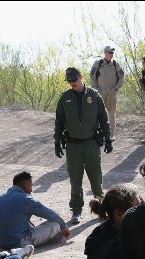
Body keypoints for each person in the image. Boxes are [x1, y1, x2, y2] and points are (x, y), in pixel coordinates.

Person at [54, 66, 112, 226]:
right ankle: (76, 211)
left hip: (91, 143)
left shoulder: (94, 95)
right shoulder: (65, 98)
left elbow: (103, 119)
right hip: (73, 145)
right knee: (75, 178)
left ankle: (101, 207)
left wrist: (108, 139)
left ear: (80, 77)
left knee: (96, 176)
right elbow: (59, 121)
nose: (72, 82)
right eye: (69, 80)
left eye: (74, 79)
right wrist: (57, 141)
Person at [0, 171, 70, 249]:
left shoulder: (2, 195)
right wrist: (63, 226)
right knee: (57, 224)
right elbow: (49, 214)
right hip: (18, 242)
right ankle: (56, 241)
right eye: (31, 186)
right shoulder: (26, 199)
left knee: (22, 219)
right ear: (25, 185)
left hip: (1, 242)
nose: (31, 190)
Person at [90, 45, 125, 135]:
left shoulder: (115, 64)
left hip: (112, 94)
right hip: (100, 93)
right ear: (105, 53)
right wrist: (96, 90)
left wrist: (116, 88)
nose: (111, 54)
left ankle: (111, 135)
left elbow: (121, 77)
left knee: (112, 115)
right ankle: (98, 134)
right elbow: (92, 77)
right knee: (98, 114)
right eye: (110, 52)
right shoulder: (98, 63)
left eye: (112, 53)